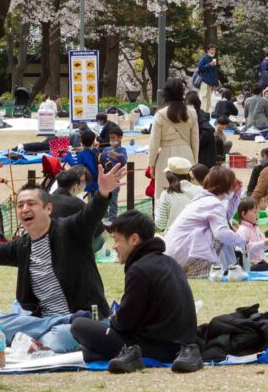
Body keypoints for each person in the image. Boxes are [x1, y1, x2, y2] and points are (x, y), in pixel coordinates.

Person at [0, 166, 125, 352]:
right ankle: (46, 332)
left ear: (48, 209)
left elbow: (91, 214)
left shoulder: (69, 229)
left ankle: (40, 335)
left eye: (31, 204)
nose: (24, 209)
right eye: (20, 205)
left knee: (58, 338)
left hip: (85, 322)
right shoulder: (22, 246)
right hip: (45, 321)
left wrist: (103, 192)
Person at [70, 210, 202, 374]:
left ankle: (122, 354)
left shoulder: (139, 270)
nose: (114, 246)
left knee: (79, 325)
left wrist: (112, 320)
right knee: (89, 347)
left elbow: (124, 322)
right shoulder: (170, 262)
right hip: (181, 345)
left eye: (116, 240)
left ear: (133, 239)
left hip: (153, 348)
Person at [164, 166, 247, 277]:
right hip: (184, 258)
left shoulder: (202, 199)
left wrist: (236, 194)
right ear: (227, 186)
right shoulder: (213, 203)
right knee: (222, 235)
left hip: (173, 256)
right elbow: (221, 233)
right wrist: (243, 241)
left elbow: (224, 217)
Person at [148, 78, 200, 180]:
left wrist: (151, 164)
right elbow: (195, 140)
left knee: (166, 188)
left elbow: (154, 142)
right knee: (186, 187)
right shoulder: (192, 113)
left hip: (166, 157)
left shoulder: (160, 114)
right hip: (187, 155)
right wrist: (195, 162)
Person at [154, 157, 204, 232]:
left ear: (169, 175)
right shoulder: (201, 191)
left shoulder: (166, 195)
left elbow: (160, 225)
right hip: (198, 236)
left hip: (173, 237)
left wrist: (157, 208)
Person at [235, 198, 268, 271]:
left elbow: (262, 247)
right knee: (267, 267)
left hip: (260, 261)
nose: (257, 215)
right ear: (243, 214)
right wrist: (264, 243)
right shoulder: (242, 230)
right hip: (250, 263)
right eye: (254, 212)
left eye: (258, 212)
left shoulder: (257, 228)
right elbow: (248, 248)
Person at [100, 126, 128, 222]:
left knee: (113, 200)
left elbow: (123, 160)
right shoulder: (106, 149)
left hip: (115, 180)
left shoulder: (122, 150)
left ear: (120, 138)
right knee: (103, 198)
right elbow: (100, 158)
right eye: (110, 138)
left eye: (113, 138)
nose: (111, 140)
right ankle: (104, 216)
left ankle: (112, 219)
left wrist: (116, 155)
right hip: (104, 179)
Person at [186, 92, 217, 168]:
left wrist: (196, 143)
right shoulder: (197, 113)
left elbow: (209, 130)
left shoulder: (199, 115)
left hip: (204, 156)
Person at [195, 44, 220, 110]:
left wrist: (215, 84)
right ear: (208, 50)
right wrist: (209, 64)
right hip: (204, 82)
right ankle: (202, 114)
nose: (213, 51)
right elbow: (200, 69)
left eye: (214, 50)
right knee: (203, 99)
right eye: (211, 50)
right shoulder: (204, 58)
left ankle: (206, 115)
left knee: (209, 101)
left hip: (211, 84)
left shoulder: (213, 59)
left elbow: (214, 73)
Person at [77, 129, 101, 193]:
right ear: (93, 142)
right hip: (99, 182)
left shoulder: (81, 155)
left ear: (81, 141)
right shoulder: (97, 152)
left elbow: (79, 170)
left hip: (89, 183)